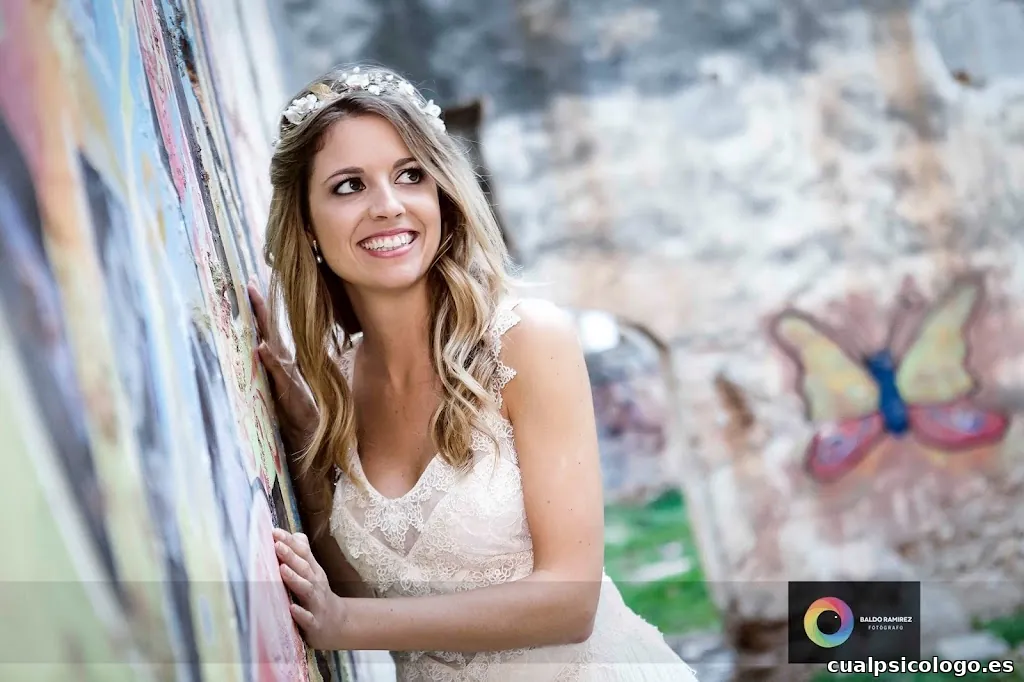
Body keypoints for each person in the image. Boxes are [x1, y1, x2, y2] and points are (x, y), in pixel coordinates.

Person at [247, 63, 699, 681]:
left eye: (410, 176)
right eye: (349, 185)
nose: (387, 206)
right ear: (307, 224)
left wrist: (348, 624)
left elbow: (571, 602)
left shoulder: (525, 342)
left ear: (441, 196)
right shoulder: (338, 393)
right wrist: (305, 442)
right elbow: (364, 589)